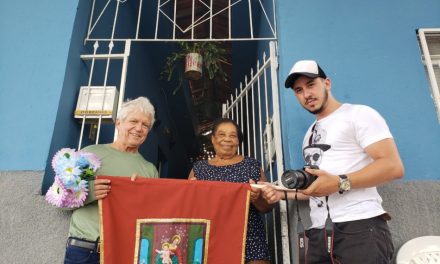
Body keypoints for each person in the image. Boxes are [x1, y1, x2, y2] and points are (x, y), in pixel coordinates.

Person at [262, 60, 404, 263]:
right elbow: (317, 188)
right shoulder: (310, 134)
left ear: (326, 83)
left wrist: (339, 182)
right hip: (321, 232)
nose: (306, 94)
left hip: (359, 226)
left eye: (311, 85)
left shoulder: (359, 114)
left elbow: (393, 167)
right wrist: (281, 193)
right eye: (299, 90)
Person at [64, 96, 159, 264]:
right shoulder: (91, 154)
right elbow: (61, 199)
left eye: (145, 125)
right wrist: (90, 192)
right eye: (134, 121)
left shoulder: (149, 169)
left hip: (126, 251)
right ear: (118, 123)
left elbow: (153, 215)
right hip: (86, 250)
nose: (139, 128)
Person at [188, 118, 273, 264]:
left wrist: (257, 198)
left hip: (249, 238)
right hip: (211, 238)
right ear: (213, 139)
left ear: (238, 141)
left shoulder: (251, 165)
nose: (227, 139)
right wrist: (192, 195)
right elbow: (187, 207)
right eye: (221, 134)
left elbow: (267, 206)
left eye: (233, 135)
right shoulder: (199, 169)